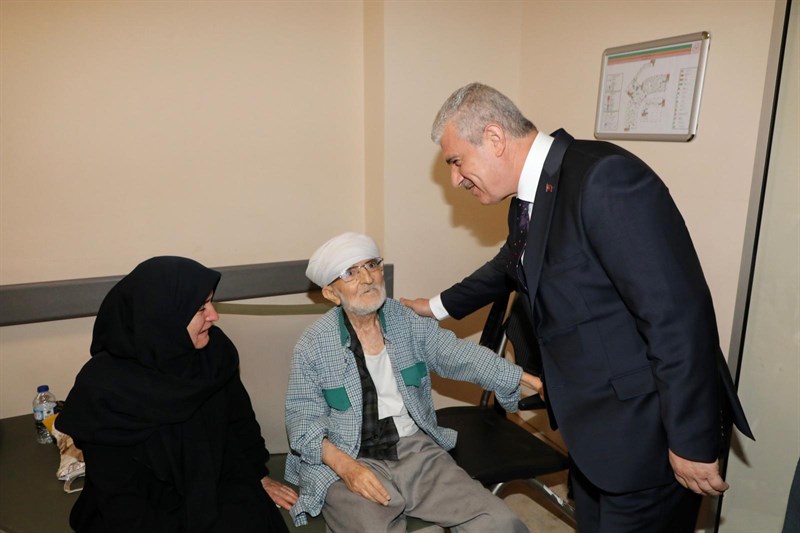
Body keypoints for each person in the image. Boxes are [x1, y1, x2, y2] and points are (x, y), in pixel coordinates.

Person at [401, 82, 754, 532]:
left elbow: (677, 318)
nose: (455, 178)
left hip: (649, 434)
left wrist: (690, 440)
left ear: (493, 137)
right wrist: (434, 306)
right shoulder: (528, 198)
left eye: (456, 161)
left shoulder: (604, 179)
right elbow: (510, 264)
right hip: (596, 436)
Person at [284, 232, 535, 532]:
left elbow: (457, 354)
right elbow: (301, 419)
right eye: (350, 273)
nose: (367, 279)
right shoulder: (313, 345)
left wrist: (524, 379)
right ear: (331, 293)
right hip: (348, 455)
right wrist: (346, 467)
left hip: (414, 449)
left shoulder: (404, 320)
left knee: (500, 522)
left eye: (372, 265)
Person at [56, 256, 297, 532]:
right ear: (162, 317)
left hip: (217, 482)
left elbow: (238, 419)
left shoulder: (214, 353)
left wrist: (258, 475)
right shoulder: (103, 390)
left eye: (211, 302)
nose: (214, 316)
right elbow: (119, 497)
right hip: (142, 509)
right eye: (201, 308)